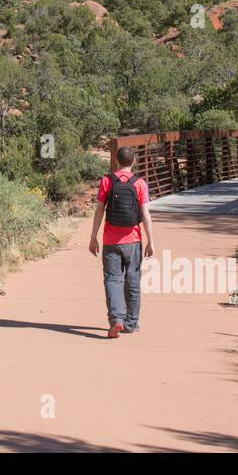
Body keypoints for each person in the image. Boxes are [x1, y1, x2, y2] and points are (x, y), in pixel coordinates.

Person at [88, 145, 155, 338]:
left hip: (110, 241)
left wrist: (93, 237)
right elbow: (145, 214)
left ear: (116, 161)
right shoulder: (140, 183)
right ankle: (131, 323)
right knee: (132, 280)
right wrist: (151, 240)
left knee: (112, 279)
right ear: (133, 161)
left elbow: (100, 210)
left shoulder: (107, 181)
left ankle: (116, 319)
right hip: (133, 240)